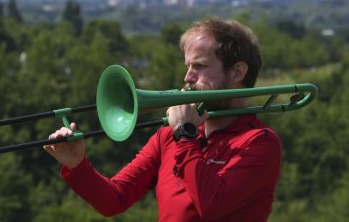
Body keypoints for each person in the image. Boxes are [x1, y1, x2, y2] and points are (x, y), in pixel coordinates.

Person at [44, 18, 283, 222]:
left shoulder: (260, 142)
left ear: (236, 73)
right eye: (188, 66)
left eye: (199, 66)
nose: (187, 77)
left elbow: (212, 204)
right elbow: (115, 199)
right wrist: (78, 166)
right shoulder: (169, 135)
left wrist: (185, 134)